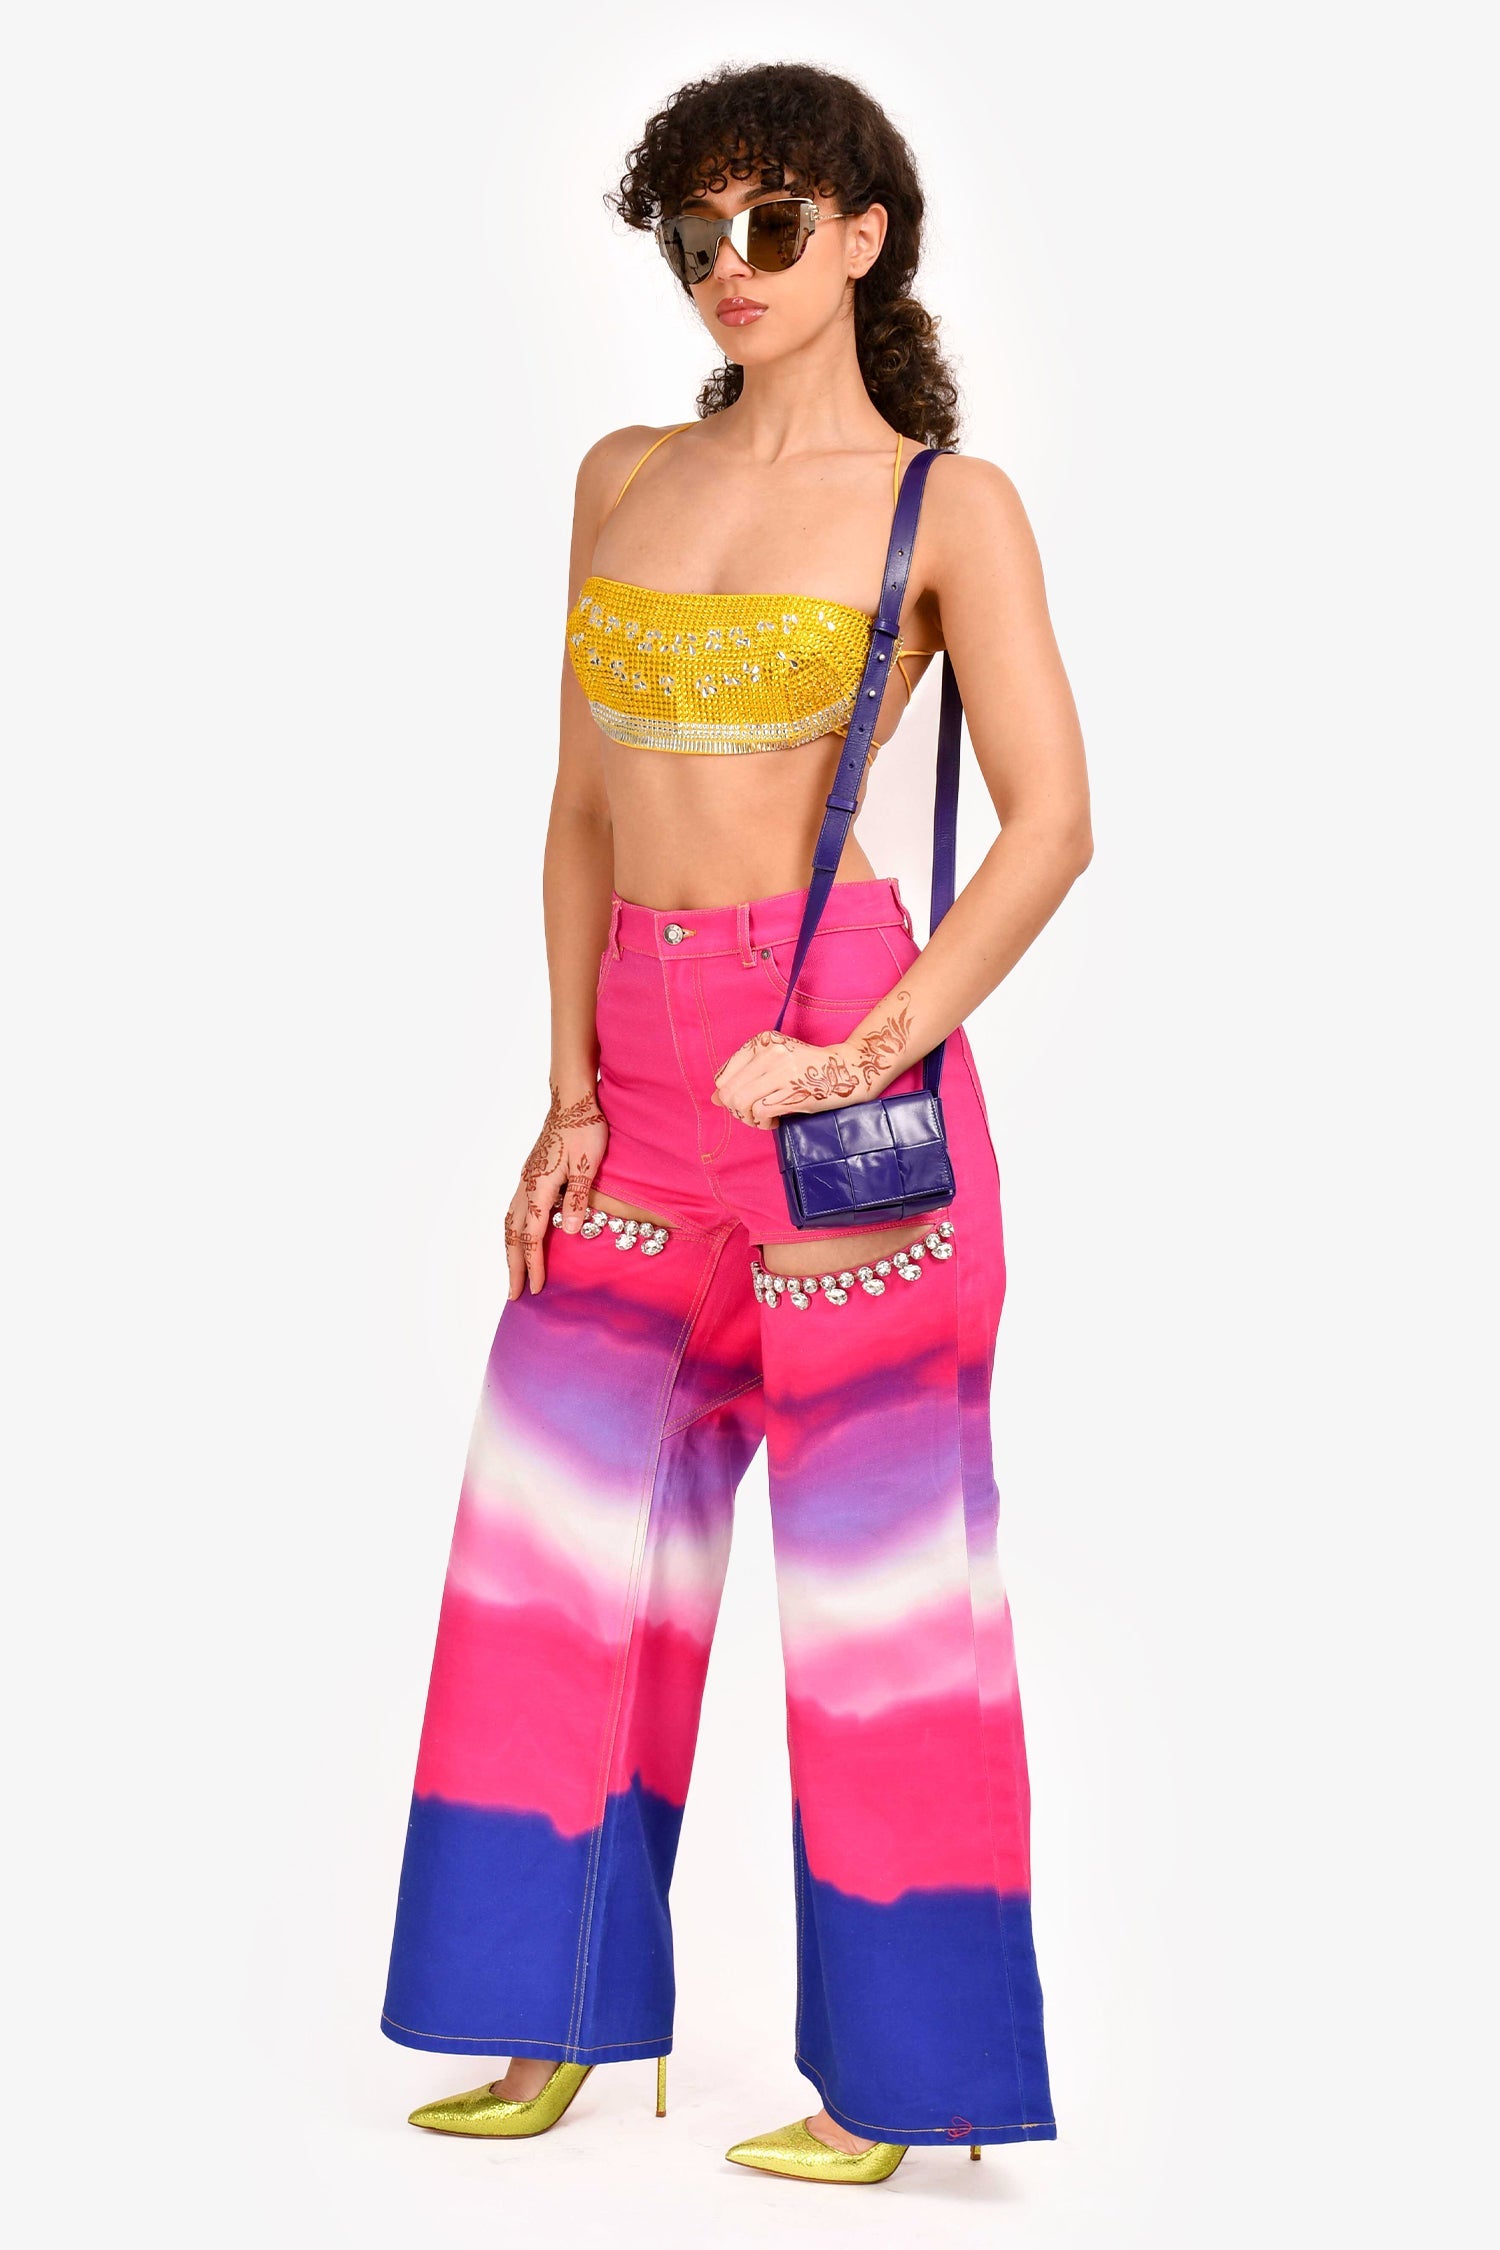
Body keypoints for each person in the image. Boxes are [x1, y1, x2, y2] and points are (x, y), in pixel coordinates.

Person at [380, 60, 1092, 2187]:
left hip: (839, 1071)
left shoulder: (944, 507)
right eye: (696, 232)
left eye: (771, 223)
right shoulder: (620, 477)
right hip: (637, 1081)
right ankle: (547, 2020)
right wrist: (565, 1093)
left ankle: (904, 2090)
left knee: (884, 1604)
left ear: (863, 235)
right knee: (553, 1560)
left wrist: (866, 1048)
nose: (728, 266)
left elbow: (1052, 826)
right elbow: (579, 809)